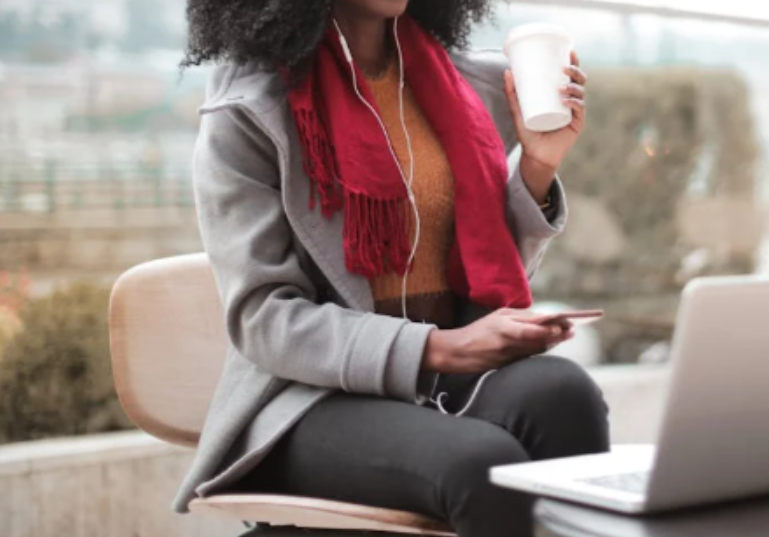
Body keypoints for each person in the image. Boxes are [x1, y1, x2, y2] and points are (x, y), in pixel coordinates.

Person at [174, 1, 610, 536]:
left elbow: (483, 264)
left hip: (440, 376)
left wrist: (538, 165)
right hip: (308, 399)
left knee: (566, 396)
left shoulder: (463, 84)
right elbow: (263, 320)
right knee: (484, 464)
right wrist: (441, 348)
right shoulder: (247, 109)